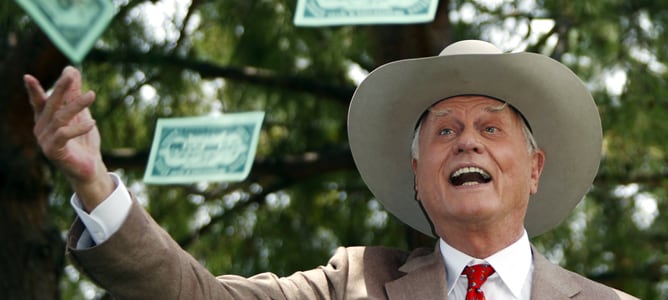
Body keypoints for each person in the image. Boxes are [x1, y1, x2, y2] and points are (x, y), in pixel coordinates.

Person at [24, 40, 638, 299]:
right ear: (418, 176)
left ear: (534, 168)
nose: (467, 144)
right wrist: (94, 183)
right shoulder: (352, 283)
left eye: (490, 127)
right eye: (444, 131)